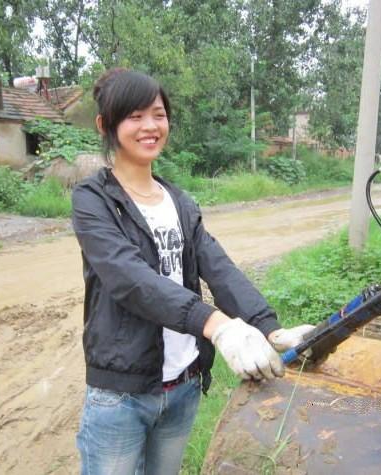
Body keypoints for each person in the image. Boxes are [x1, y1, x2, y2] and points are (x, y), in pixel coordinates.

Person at [72, 68, 314, 475]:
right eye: (134, 116)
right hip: (121, 393)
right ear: (106, 125)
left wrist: (268, 328)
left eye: (158, 114)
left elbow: (217, 267)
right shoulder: (93, 200)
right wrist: (217, 326)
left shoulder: (179, 201)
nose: (150, 126)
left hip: (183, 387)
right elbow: (129, 279)